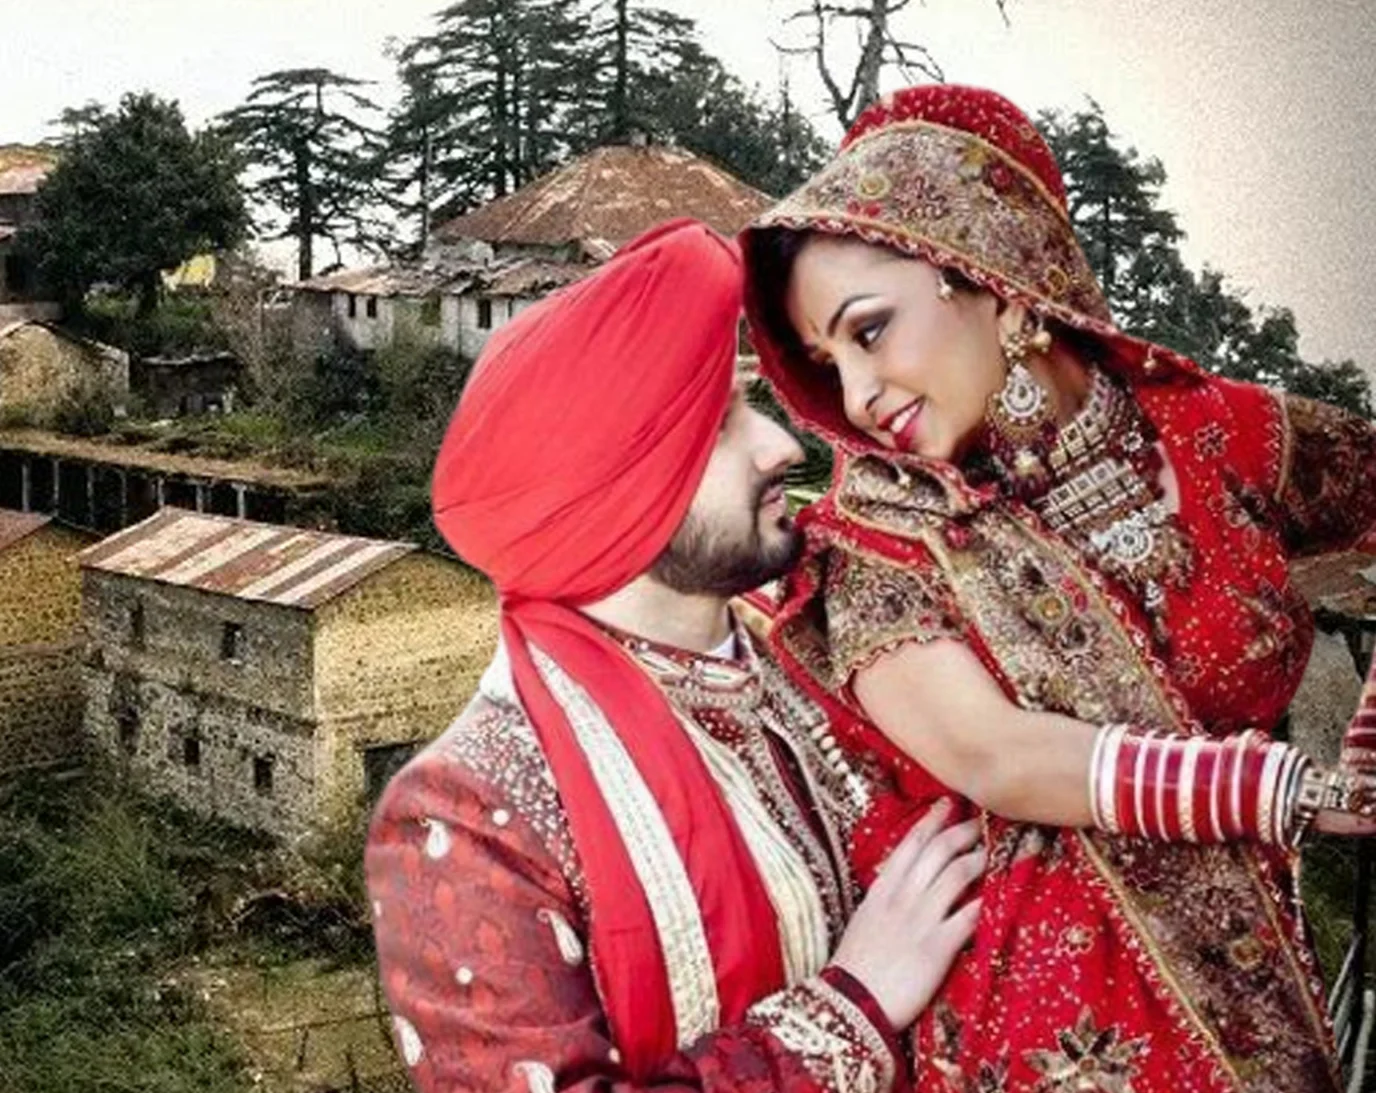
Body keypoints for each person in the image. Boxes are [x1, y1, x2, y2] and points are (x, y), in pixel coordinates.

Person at [739, 83, 1376, 1092]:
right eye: (827, 361)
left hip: (1258, 1023)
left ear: (993, 284)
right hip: (1029, 1043)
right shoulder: (876, 538)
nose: (855, 396)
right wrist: (1281, 789)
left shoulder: (1212, 435)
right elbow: (998, 755)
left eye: (869, 332)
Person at [365, 218, 984, 1093]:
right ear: (623, 491)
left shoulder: (830, 649)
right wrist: (853, 1005)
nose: (784, 446)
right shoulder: (467, 815)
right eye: (722, 425)